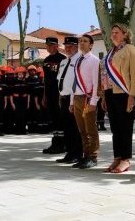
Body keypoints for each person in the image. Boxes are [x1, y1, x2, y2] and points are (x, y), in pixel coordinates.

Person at [101, 24, 135, 173]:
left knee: (125, 127)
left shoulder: (130, 49)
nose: (114, 35)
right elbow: (105, 74)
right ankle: (117, 157)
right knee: (115, 128)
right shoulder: (110, 52)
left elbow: (134, 75)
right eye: (112, 33)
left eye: (117, 32)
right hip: (110, 92)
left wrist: (132, 95)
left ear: (125, 34)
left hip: (124, 93)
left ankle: (125, 159)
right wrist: (104, 96)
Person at [70, 34, 101, 169]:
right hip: (77, 97)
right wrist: (71, 101)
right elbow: (75, 82)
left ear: (91, 45)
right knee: (82, 130)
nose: (82, 43)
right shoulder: (78, 60)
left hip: (87, 98)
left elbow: (96, 83)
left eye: (85, 41)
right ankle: (85, 155)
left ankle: (93, 157)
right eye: (80, 41)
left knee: (91, 130)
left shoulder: (94, 60)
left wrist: (93, 101)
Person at [55, 37, 83, 165]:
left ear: (77, 46)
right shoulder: (63, 61)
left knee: (76, 127)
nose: (67, 48)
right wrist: (61, 96)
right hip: (64, 98)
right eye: (66, 46)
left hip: (75, 98)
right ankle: (70, 152)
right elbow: (60, 80)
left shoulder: (80, 60)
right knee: (67, 127)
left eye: (71, 46)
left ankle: (78, 153)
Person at [42, 37, 67, 153]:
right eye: (47, 45)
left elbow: (64, 79)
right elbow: (46, 80)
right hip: (49, 93)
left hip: (59, 93)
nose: (49, 47)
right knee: (53, 119)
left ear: (57, 46)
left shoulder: (63, 59)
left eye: (51, 45)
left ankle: (62, 144)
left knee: (60, 119)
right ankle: (55, 143)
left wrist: (61, 95)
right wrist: (44, 96)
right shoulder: (46, 60)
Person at [10, 66, 30, 135]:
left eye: (22, 74)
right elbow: (11, 94)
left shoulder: (26, 82)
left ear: (24, 74)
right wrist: (12, 103)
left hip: (24, 102)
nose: (21, 75)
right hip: (16, 102)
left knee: (24, 116)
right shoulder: (14, 82)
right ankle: (18, 130)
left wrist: (28, 103)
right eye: (19, 74)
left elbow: (28, 94)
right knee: (17, 116)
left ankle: (23, 130)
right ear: (17, 74)